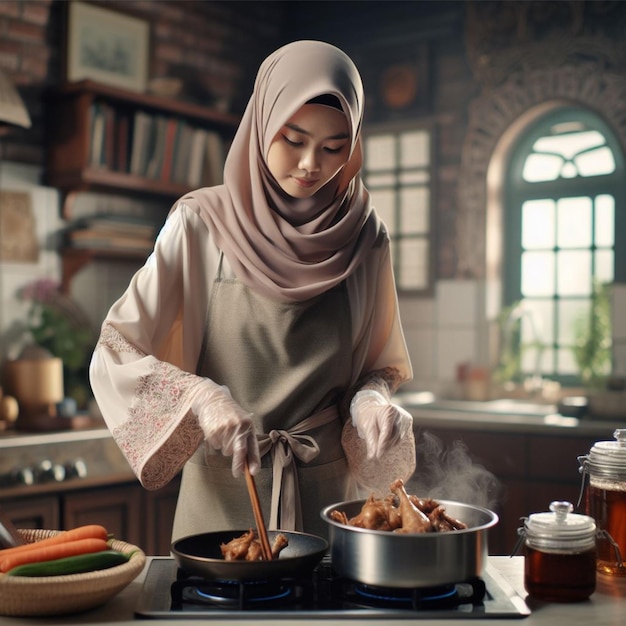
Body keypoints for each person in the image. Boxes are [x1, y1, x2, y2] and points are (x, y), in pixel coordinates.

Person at [89, 40, 415, 541]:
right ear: (262, 122)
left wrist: (369, 401)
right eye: (294, 138)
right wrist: (200, 397)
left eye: (333, 148)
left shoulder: (366, 236)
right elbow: (116, 347)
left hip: (329, 501)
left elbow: (379, 366)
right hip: (222, 494)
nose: (311, 164)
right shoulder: (199, 223)